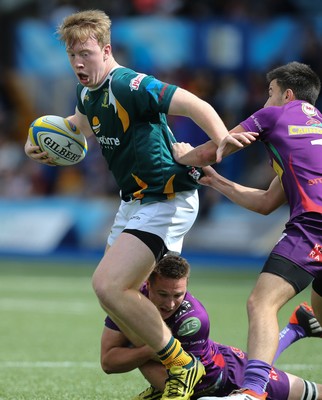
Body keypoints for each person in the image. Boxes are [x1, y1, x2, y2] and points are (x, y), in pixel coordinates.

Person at [23, 9, 256, 400]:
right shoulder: (87, 91)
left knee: (108, 285)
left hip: (167, 199)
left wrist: (221, 140)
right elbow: (79, 123)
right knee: (122, 306)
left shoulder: (130, 84)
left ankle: (184, 364)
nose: (79, 62)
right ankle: (167, 379)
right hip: (134, 203)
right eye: (72, 56)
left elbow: (194, 104)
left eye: (86, 53)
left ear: (106, 49)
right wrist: (40, 141)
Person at [172, 61, 322, 400]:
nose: (265, 102)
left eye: (269, 94)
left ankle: (253, 392)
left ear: (287, 94)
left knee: (261, 303)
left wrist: (182, 157)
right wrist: (217, 181)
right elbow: (268, 201)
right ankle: (299, 327)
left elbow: (217, 147)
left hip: (314, 226)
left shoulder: (274, 116)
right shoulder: (311, 138)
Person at [101, 254, 322, 400]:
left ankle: (296, 328)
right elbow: (109, 362)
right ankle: (296, 328)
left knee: (311, 393)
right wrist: (153, 348)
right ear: (148, 284)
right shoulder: (131, 302)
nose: (169, 304)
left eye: (178, 295)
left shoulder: (194, 320)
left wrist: (147, 348)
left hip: (229, 376)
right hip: (212, 370)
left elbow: (186, 384)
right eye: (162, 294)